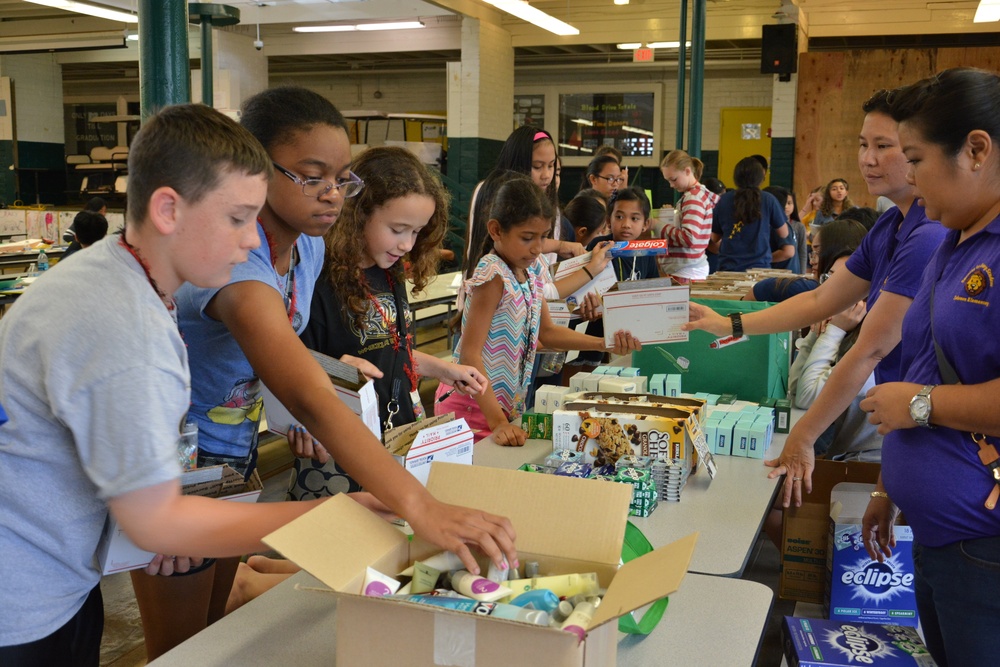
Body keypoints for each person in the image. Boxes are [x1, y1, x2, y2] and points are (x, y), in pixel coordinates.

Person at [134, 87, 516, 659]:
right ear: (252, 170)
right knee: (182, 648)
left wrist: (331, 369)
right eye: (313, 176)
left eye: (342, 178)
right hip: (173, 468)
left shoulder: (308, 249)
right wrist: (420, 506)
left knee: (217, 633)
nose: (333, 194)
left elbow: (286, 353)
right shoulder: (233, 265)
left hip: (232, 462)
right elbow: (305, 392)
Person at [0, 103, 359, 666]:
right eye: (239, 219)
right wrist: (341, 518)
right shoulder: (127, 325)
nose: (250, 243)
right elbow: (158, 519)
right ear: (168, 208)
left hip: (54, 579)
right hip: (23, 603)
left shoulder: (115, 278)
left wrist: (161, 517)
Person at [685, 87, 947, 510]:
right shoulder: (888, 228)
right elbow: (819, 300)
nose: (868, 158)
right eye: (864, 145)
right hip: (899, 430)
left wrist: (805, 435)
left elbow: (871, 348)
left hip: (924, 432)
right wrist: (728, 323)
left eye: (885, 146)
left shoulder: (927, 234)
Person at [858, 67, 1000, 667]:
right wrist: (889, 486)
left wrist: (920, 407)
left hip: (983, 540)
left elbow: (921, 392)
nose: (908, 175)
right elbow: (923, 363)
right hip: (939, 535)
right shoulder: (951, 241)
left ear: (975, 150)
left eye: (915, 157)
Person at [294, 145, 488, 496]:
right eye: (398, 229)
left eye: (416, 232)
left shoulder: (389, 270)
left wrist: (446, 370)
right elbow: (290, 366)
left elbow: (392, 353)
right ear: (359, 213)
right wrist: (339, 370)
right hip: (340, 447)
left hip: (397, 435)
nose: (406, 244)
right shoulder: (317, 279)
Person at [435, 176, 640, 446]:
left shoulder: (531, 269)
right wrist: (498, 422)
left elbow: (549, 332)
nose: (535, 248)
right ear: (496, 230)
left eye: (542, 238)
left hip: (504, 407)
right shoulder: (493, 275)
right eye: (527, 238)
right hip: (473, 408)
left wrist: (604, 342)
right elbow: (470, 354)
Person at [711, 157, 789, 271]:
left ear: (736, 178)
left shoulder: (724, 200)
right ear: (761, 178)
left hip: (729, 267)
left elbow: (714, 237)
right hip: (759, 267)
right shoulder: (768, 199)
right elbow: (784, 233)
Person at [658, 149, 720, 282]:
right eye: (668, 181)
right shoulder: (697, 195)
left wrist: (659, 226)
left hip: (686, 272)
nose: (671, 185)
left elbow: (689, 237)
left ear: (687, 171)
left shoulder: (693, 198)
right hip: (689, 270)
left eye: (673, 179)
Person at [763, 185, 805, 273]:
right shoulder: (782, 222)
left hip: (782, 278)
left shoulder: (778, 224)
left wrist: (763, 259)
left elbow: (788, 252)